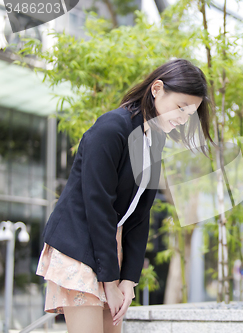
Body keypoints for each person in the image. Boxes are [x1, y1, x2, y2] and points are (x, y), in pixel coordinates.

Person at [36, 59, 214, 332]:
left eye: (189, 114)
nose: (182, 119)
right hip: (78, 245)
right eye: (180, 108)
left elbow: (141, 216)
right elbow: (97, 206)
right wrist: (110, 281)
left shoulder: (155, 139)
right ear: (157, 88)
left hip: (108, 249)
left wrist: (129, 280)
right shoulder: (111, 128)